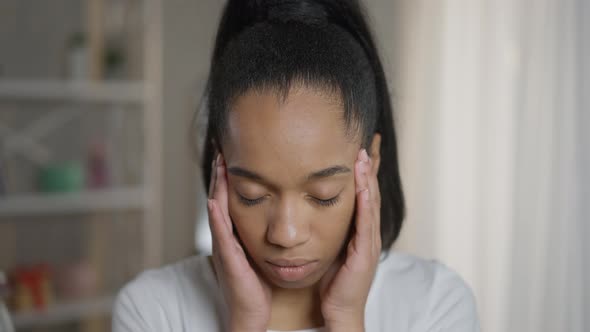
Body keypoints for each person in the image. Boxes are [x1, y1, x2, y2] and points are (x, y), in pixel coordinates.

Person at [112, 0, 480, 331]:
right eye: (252, 195)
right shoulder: (153, 309)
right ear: (220, 167)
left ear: (372, 161)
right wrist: (246, 321)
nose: (285, 235)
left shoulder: (436, 304)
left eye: (323, 196)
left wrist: (347, 318)